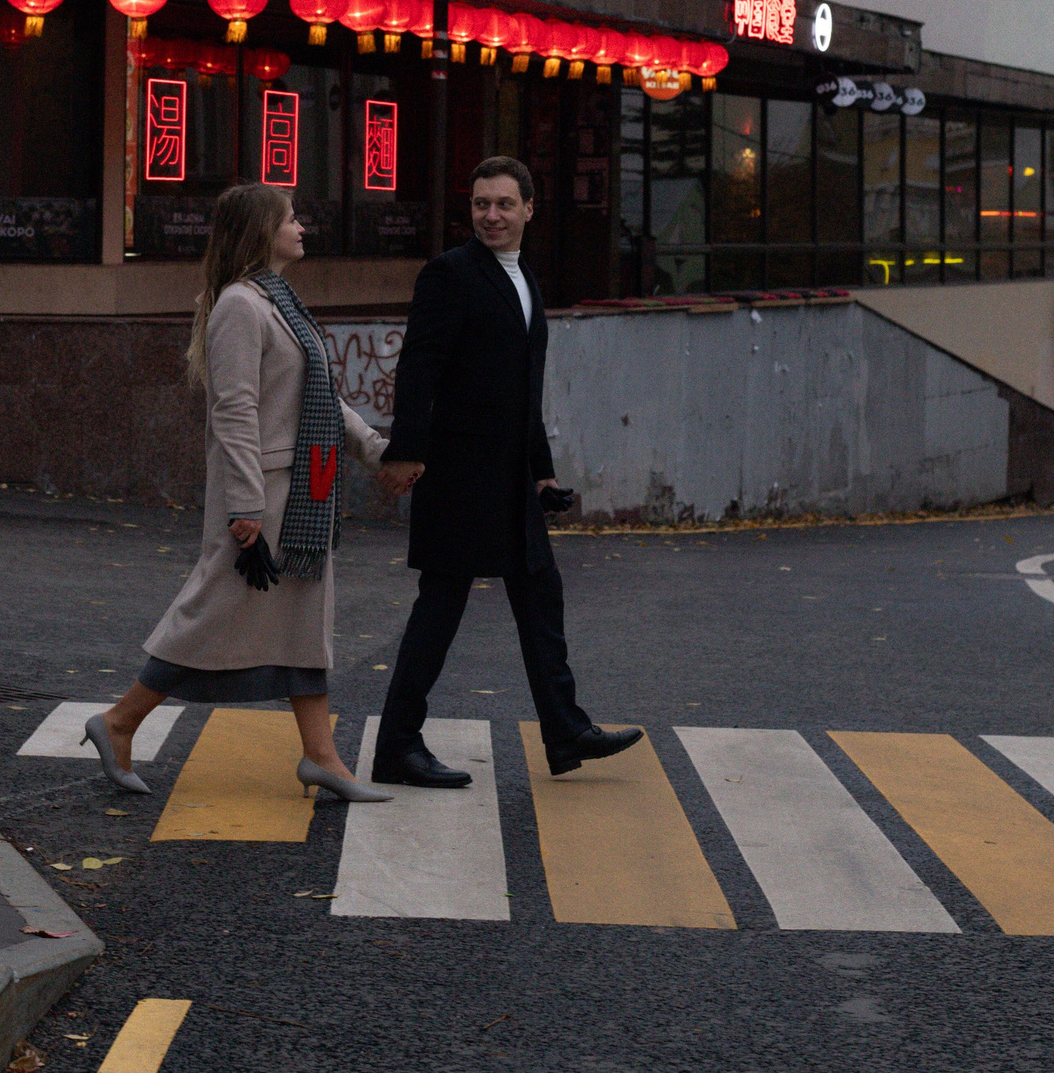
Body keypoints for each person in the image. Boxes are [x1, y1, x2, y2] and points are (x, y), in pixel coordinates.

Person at [85, 183, 397, 803]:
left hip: (303, 495)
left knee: (305, 627)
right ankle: (118, 722)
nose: (302, 226)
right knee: (208, 617)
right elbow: (235, 409)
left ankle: (321, 757)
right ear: (262, 231)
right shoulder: (240, 305)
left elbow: (316, 397)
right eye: (290, 218)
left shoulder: (278, 300)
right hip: (266, 502)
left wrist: (372, 446)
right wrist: (247, 503)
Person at [368, 156, 641, 789]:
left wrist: (541, 473)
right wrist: (406, 451)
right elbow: (418, 368)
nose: (491, 215)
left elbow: (524, 389)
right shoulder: (450, 274)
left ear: (528, 209)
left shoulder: (523, 280)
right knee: (440, 607)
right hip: (459, 475)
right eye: (481, 203)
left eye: (503, 204)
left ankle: (565, 728)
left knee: (540, 595)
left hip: (510, 478)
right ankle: (397, 746)